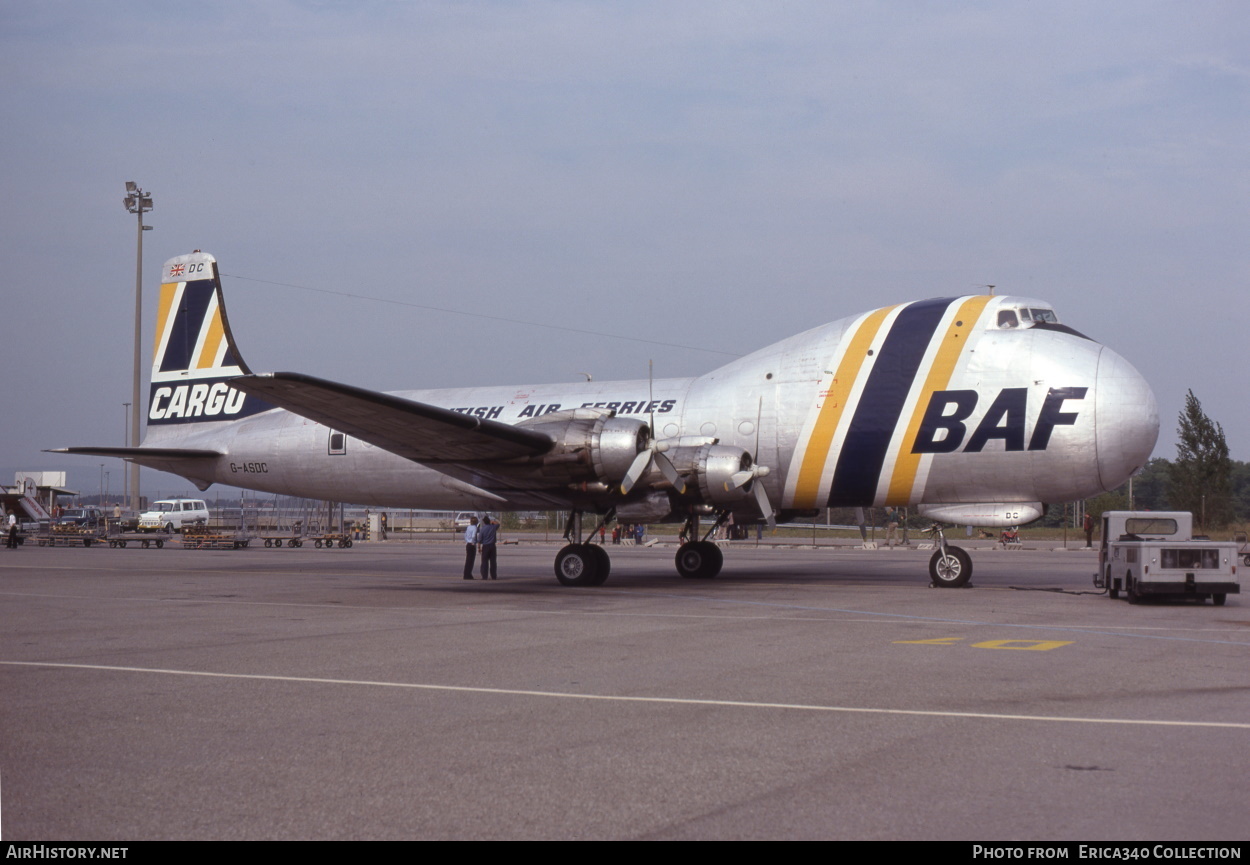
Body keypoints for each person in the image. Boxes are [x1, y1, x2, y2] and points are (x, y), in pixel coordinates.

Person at [478, 515, 499, 580]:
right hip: (492, 546)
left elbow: (479, 540)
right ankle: (493, 576)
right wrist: (492, 522)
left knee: (484, 562)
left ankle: (484, 576)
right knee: (493, 562)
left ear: (484, 522)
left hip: (485, 546)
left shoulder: (482, 529)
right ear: (489, 521)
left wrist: (479, 547)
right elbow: (498, 523)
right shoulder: (493, 527)